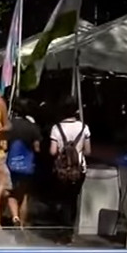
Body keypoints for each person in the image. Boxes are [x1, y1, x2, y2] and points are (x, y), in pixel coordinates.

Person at [49, 95, 90, 244]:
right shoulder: (84, 128)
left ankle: (63, 231)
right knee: (73, 199)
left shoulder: (56, 128)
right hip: (79, 170)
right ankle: (70, 230)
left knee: (62, 200)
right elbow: (88, 151)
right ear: (76, 110)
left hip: (61, 171)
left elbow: (53, 151)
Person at [5, 98, 41, 227]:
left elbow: (4, 145)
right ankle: (22, 224)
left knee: (11, 192)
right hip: (27, 165)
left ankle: (15, 217)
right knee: (24, 195)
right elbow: (37, 148)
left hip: (10, 163)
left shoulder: (9, 125)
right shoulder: (33, 127)